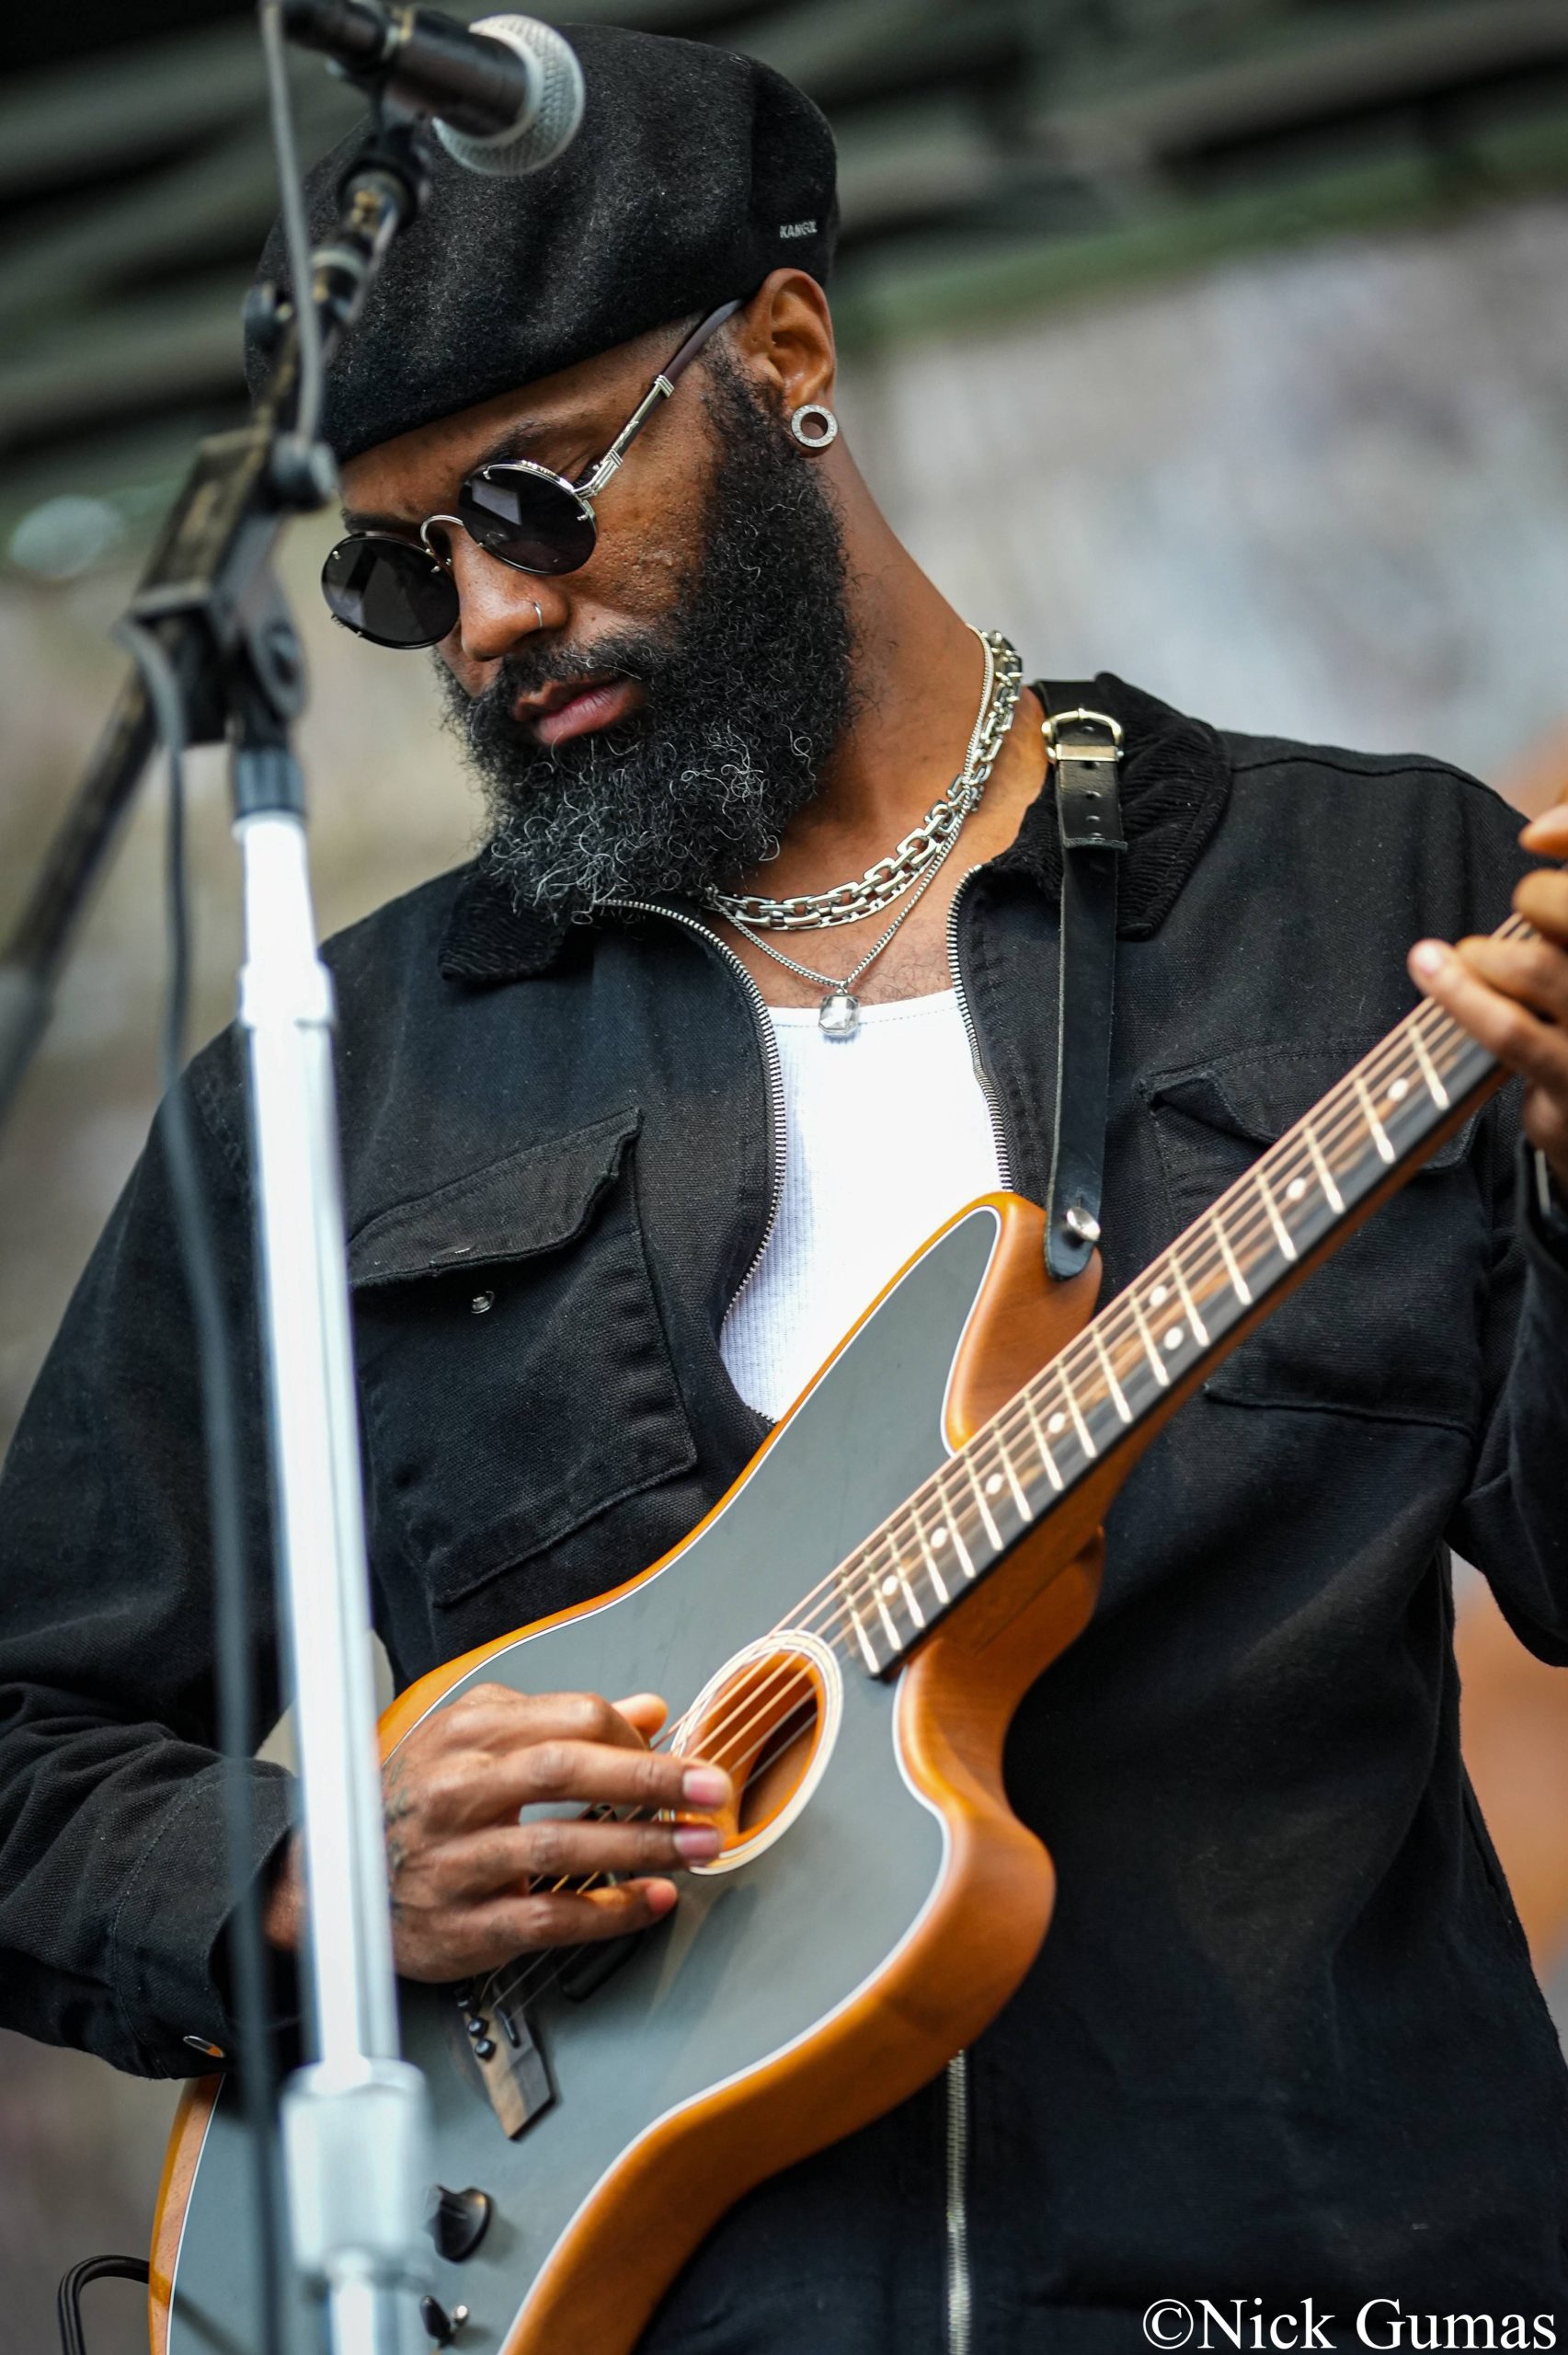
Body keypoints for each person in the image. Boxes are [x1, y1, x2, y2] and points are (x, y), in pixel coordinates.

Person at [3, 23, 1568, 2349]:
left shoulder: (1372, 895)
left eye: (535, 503)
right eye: (408, 573)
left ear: (790, 353)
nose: (496, 620)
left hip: (1317, 2283)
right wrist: (319, 1868)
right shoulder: (346, 1075)